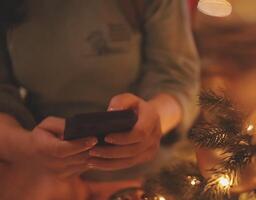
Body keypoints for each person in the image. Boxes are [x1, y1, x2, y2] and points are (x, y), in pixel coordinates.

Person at [0, 0, 200, 199]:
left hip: (147, 173)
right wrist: (27, 148)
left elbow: (176, 80)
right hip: (38, 174)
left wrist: (153, 122)